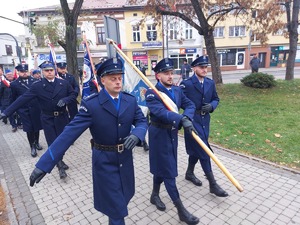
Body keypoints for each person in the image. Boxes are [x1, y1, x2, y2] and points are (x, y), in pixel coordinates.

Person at [29, 57, 148, 225]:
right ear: (102, 80)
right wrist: (44, 164)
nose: (118, 82)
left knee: (123, 198)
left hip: (125, 161)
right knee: (117, 211)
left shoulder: (129, 100)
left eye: (120, 78)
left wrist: (138, 133)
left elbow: (142, 121)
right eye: (113, 78)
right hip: (105, 163)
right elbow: (68, 134)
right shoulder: (92, 105)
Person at [146, 58, 199, 225]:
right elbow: (161, 113)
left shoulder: (177, 91)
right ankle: (181, 211)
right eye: (166, 73)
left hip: (172, 134)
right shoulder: (152, 93)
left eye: (171, 73)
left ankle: (154, 195)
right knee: (169, 172)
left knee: (162, 167)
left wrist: (187, 118)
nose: (171, 76)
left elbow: (190, 104)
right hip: (159, 135)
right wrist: (181, 119)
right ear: (158, 75)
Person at [0, 61, 77, 179]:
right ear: (43, 72)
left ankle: (60, 160)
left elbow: (73, 95)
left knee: (62, 143)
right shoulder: (37, 86)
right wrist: (6, 112)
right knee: (53, 144)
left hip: (62, 118)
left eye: (51, 70)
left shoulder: (64, 83)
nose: (49, 72)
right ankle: (60, 166)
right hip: (48, 118)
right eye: (47, 70)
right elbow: (22, 99)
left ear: (54, 70)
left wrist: (66, 100)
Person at [180, 55, 228, 197]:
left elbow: (216, 99)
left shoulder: (210, 82)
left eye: (206, 67)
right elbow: (180, 101)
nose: (204, 69)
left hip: (205, 121)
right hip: (192, 121)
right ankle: (213, 184)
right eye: (201, 67)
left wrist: (211, 106)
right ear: (194, 68)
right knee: (205, 150)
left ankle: (189, 173)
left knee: (196, 150)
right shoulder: (187, 84)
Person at [0, 64, 43, 157]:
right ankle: (32, 147)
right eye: (22, 72)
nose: (24, 73)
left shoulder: (35, 81)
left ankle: (37, 142)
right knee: (29, 128)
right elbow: (13, 98)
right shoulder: (14, 84)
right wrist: (13, 110)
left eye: (25, 71)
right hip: (24, 110)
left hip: (35, 108)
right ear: (18, 72)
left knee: (36, 127)